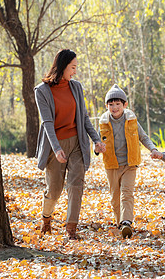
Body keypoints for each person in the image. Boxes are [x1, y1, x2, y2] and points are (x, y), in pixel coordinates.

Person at [34, 49, 106, 240]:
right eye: (72, 67)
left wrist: (96, 139)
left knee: (76, 185)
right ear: (62, 66)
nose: (74, 71)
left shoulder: (76, 87)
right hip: (54, 144)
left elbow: (83, 117)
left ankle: (71, 230)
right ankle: (46, 218)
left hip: (77, 143)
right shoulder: (42, 91)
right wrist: (57, 149)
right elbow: (47, 122)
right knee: (55, 190)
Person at [98, 84, 158, 238]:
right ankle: (120, 222)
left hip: (130, 164)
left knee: (127, 193)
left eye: (118, 104)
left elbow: (143, 137)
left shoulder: (131, 120)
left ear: (125, 105)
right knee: (115, 197)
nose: (114, 108)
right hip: (112, 165)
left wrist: (153, 149)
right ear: (107, 106)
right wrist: (97, 149)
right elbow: (96, 141)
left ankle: (126, 223)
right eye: (111, 105)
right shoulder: (104, 122)